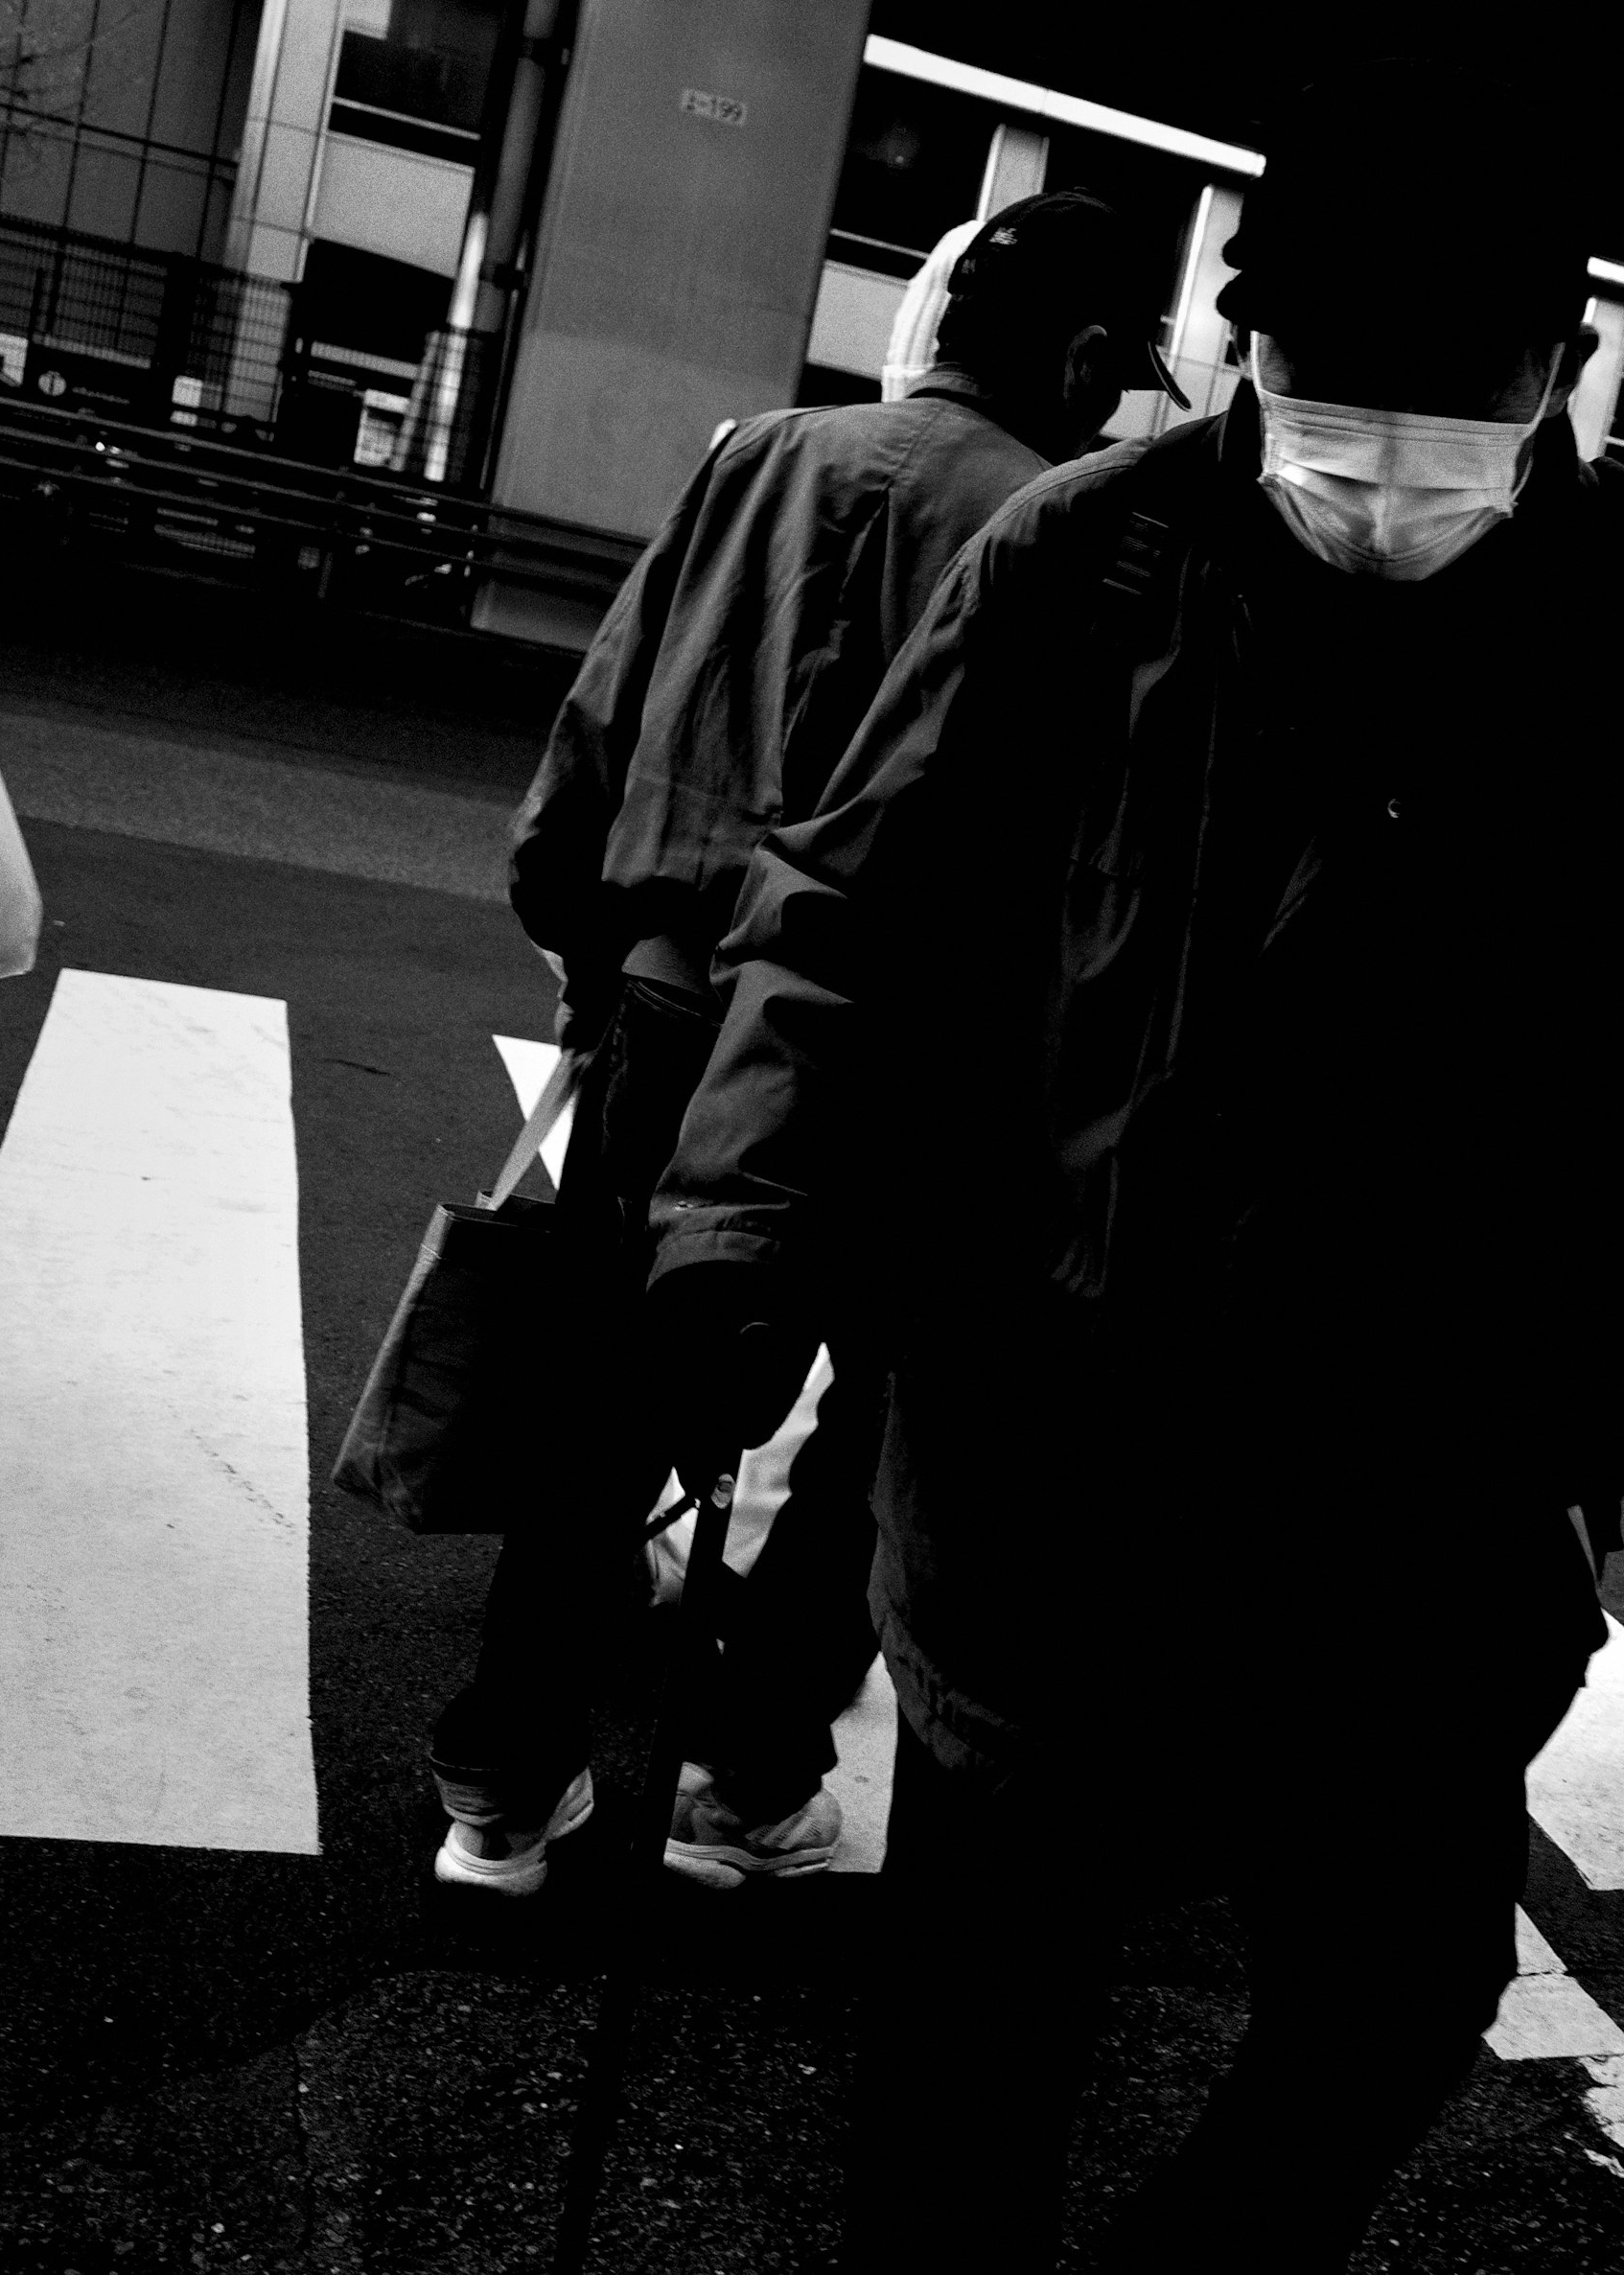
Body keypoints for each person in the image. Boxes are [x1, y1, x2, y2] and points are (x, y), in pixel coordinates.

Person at [643, 64, 1624, 2275]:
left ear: (1551, 380)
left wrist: (1581, 1461)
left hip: (1428, 1454)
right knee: (991, 1959)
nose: (1372, 467)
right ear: (1244, 348)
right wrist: (742, 1226)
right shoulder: (1089, 547)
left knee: (1399, 1968)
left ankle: (1219, 2254)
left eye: (1435, 416)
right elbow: (858, 907)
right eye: (1320, 402)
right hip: (1061, 1397)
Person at [431, 188, 1183, 1894]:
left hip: (672, 1000)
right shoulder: (1074, 532)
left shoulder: (755, 452)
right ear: (1082, 359)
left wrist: (583, 933)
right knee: (873, 1428)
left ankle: (502, 1792)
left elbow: (602, 715)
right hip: (919, 1052)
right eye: (1127, 370)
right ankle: (747, 1778)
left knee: (607, 1387)